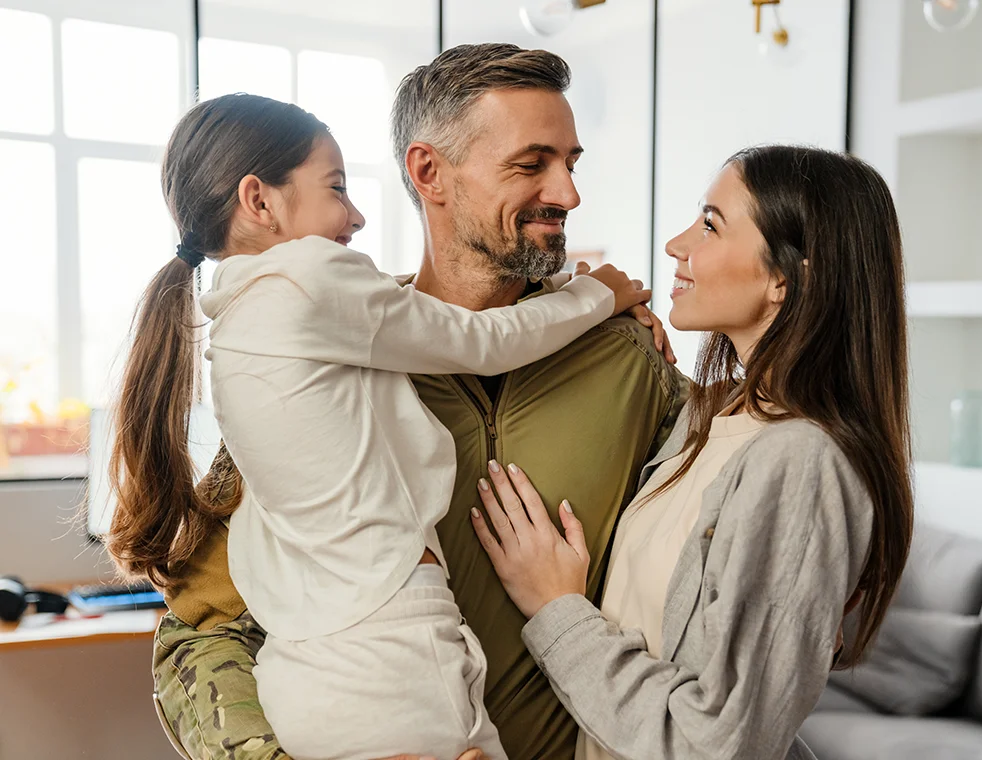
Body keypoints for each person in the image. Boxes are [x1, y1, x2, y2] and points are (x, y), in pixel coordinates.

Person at [150, 44, 689, 760]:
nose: (568, 194)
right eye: (531, 164)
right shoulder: (319, 371)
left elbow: (738, 572)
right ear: (429, 172)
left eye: (571, 163)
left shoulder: (630, 362)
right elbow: (200, 629)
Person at [470, 145, 916, 760]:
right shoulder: (710, 417)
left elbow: (717, 743)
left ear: (785, 279)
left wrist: (556, 608)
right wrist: (590, 318)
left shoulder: (802, 462)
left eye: (710, 225)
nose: (676, 245)